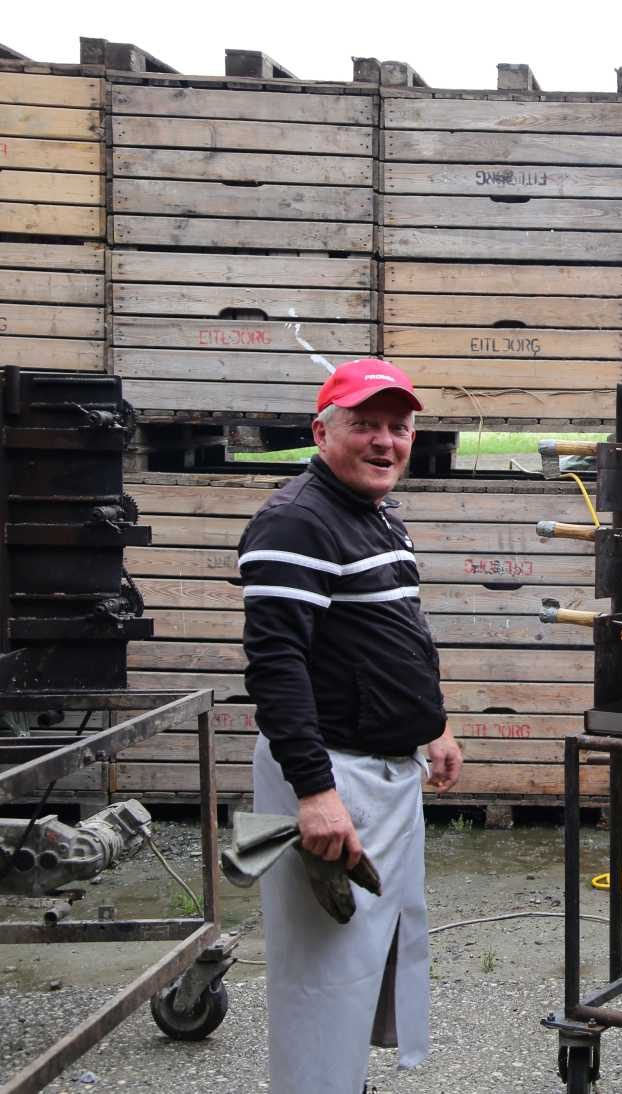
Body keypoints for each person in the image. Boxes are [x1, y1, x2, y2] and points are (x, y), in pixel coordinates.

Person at [238, 359, 462, 1094]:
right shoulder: (295, 520)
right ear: (321, 432)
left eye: (398, 427)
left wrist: (433, 724)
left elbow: (399, 632)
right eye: (364, 424)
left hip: (382, 772)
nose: (384, 441)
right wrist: (314, 793)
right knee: (322, 973)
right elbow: (276, 668)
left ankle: (345, 1084)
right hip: (334, 773)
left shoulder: (376, 512)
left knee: (370, 953)